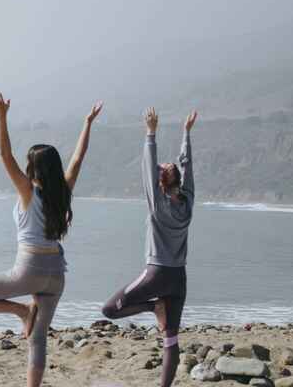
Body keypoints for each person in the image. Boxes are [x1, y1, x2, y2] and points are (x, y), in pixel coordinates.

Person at [0, 92, 103, 387]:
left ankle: (20, 310)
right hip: (57, 275)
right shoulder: (63, 190)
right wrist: (87, 124)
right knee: (38, 340)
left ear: (33, 168)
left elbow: (4, 156)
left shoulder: (28, 190)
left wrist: (1, 116)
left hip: (30, 270)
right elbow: (78, 158)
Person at [100, 107, 196, 387]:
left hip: (156, 275)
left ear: (160, 183)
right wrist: (186, 133)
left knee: (109, 310)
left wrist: (150, 134)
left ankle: (153, 308)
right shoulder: (188, 203)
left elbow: (148, 166)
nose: (165, 165)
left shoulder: (158, 204)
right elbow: (188, 166)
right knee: (171, 339)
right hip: (179, 279)